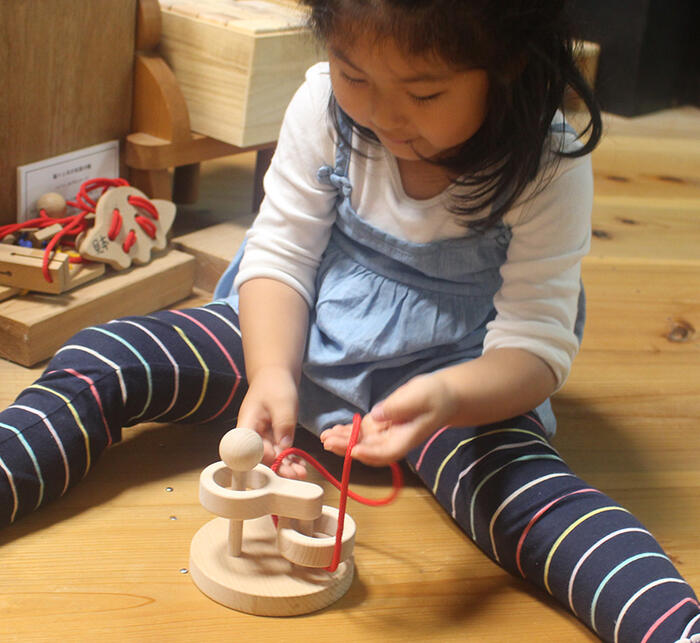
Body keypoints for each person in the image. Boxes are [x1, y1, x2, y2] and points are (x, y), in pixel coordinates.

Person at [0, 0, 698, 640]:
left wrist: (451, 396)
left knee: (541, 505)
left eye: (425, 93)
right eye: (353, 73)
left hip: (450, 379)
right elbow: (279, 254)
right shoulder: (324, 107)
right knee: (109, 354)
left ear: (509, 62)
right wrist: (271, 371)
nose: (386, 116)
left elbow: (537, 345)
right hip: (298, 331)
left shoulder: (546, 164)